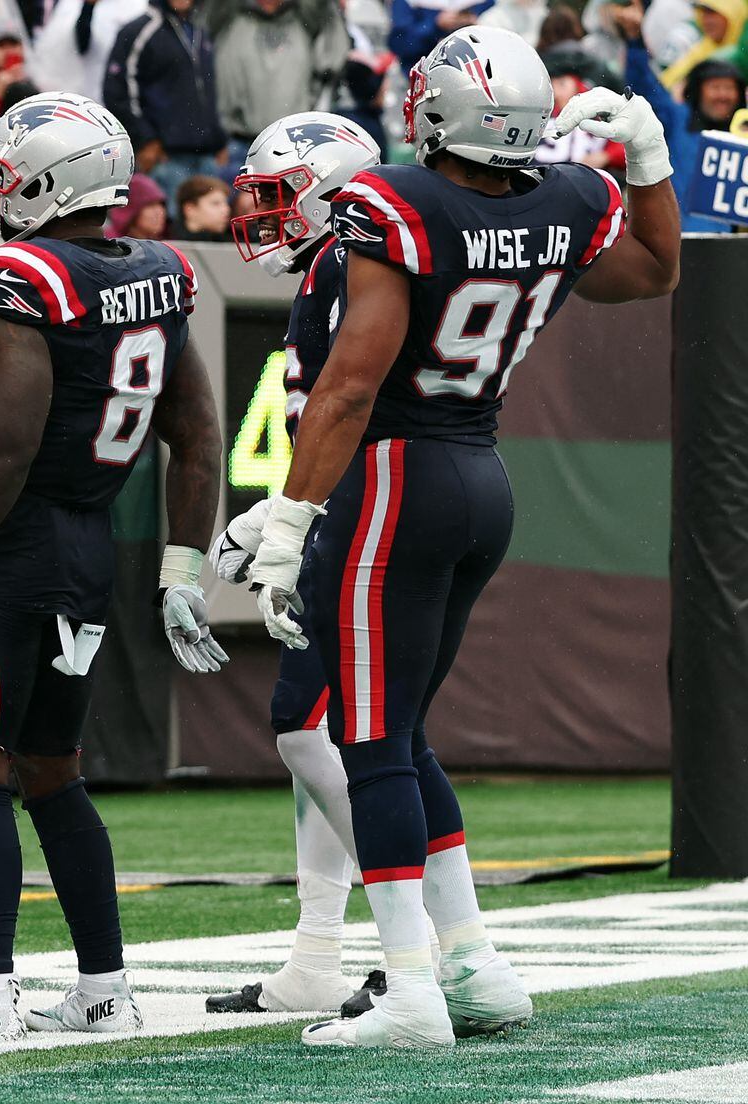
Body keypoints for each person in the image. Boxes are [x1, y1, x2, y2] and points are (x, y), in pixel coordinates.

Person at [234, 26, 678, 1047]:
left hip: (397, 476)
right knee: (401, 729)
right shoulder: (569, 202)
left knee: (371, 737)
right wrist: (647, 157)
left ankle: (408, 990)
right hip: (482, 479)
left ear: (439, 111)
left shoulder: (394, 205)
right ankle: (472, 965)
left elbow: (347, 390)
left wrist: (284, 522)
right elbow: (655, 270)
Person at [0, 91, 228, 1042]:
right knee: (53, 769)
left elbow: (9, 446)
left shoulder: (22, 274)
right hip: (91, 552)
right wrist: (181, 571)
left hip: (8, 544)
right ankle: (104, 990)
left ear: (50, 180)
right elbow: (198, 438)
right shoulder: (161, 270)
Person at [204, 112, 386, 1017]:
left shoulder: (352, 264)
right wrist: (272, 514)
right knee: (321, 735)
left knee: (309, 727)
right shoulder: (334, 264)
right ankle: (317, 956)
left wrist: (283, 521)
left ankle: (419, 937)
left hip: (374, 510)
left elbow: (359, 409)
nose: (262, 214)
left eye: (277, 196)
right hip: (347, 508)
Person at [617, 2, 746, 230]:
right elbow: (645, 91)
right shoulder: (676, 120)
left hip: (735, 252)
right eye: (715, 87)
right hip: (680, 241)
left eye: (729, 88)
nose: (723, 95)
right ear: (698, 90)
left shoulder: (743, 132)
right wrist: (636, 42)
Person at [103, 0, 226, 207]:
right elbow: (118, 91)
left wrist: (218, 139)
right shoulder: (138, 30)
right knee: (170, 231)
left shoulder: (199, 30)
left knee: (209, 230)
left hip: (206, 156)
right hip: (166, 156)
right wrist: (145, 139)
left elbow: (205, 91)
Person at [208, 0, 350, 163]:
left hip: (291, 145)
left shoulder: (306, 19)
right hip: (234, 143)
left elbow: (331, 59)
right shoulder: (227, 17)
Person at [389, 0, 493, 70]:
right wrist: (435, 26)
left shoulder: (484, 2)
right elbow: (400, 44)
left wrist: (479, 24)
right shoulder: (410, 2)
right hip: (422, 78)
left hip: (478, 71)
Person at [168, 174, 231, 241]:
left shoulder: (233, 243)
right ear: (190, 209)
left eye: (226, 203)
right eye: (215, 203)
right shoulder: (166, 246)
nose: (226, 209)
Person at [107, 171, 167, 238]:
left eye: (161, 204)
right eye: (151, 205)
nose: (159, 212)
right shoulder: (110, 242)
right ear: (131, 209)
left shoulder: (167, 244)